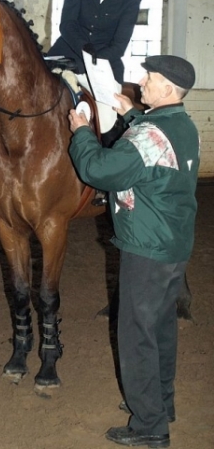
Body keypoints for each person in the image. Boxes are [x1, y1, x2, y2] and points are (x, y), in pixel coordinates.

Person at [68, 55, 200, 448]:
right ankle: (162, 404)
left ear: (167, 89)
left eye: (150, 78)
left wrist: (80, 133)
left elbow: (99, 169)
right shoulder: (181, 123)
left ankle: (149, 427)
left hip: (146, 245)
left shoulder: (151, 134)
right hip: (173, 243)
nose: (142, 82)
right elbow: (153, 147)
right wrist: (129, 116)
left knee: (136, 335)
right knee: (160, 328)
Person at [47, 0, 143, 204]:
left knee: (109, 114)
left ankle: (104, 183)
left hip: (103, 64)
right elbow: (67, 24)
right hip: (67, 53)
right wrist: (84, 49)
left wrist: (95, 59)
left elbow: (119, 44)